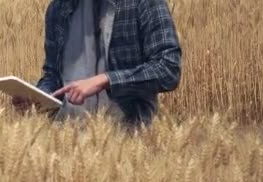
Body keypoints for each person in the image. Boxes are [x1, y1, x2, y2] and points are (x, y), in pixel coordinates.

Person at [13, 0, 182, 127]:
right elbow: (53, 75)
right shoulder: (58, 9)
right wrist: (38, 97)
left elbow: (168, 68)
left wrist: (105, 80)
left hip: (128, 142)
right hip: (67, 144)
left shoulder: (142, 3)